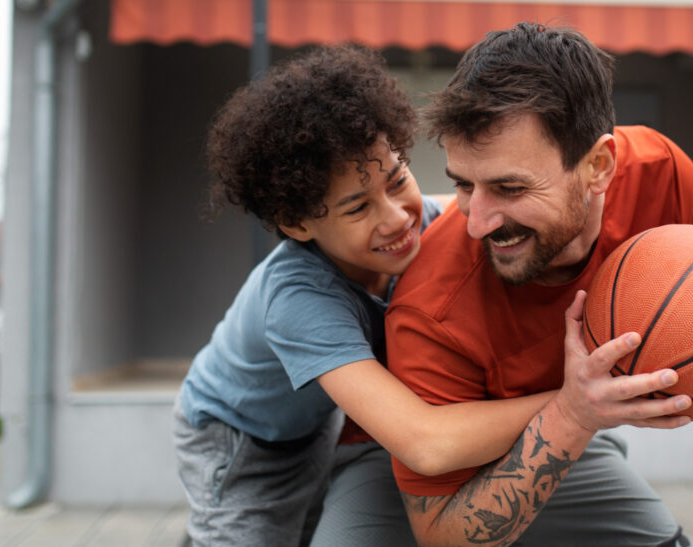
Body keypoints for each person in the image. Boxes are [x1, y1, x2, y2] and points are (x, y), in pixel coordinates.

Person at [377, 23, 693, 546]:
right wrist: (572, 413)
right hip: (427, 469)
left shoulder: (661, 173)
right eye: (464, 185)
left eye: (510, 187)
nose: (477, 221)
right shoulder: (431, 308)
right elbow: (442, 536)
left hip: (580, 439)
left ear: (598, 166)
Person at [172, 45, 564, 546]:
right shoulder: (298, 299)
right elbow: (424, 441)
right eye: (358, 209)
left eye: (398, 179)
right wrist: (573, 405)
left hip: (315, 422)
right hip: (238, 438)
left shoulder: (425, 223)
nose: (398, 217)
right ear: (298, 224)